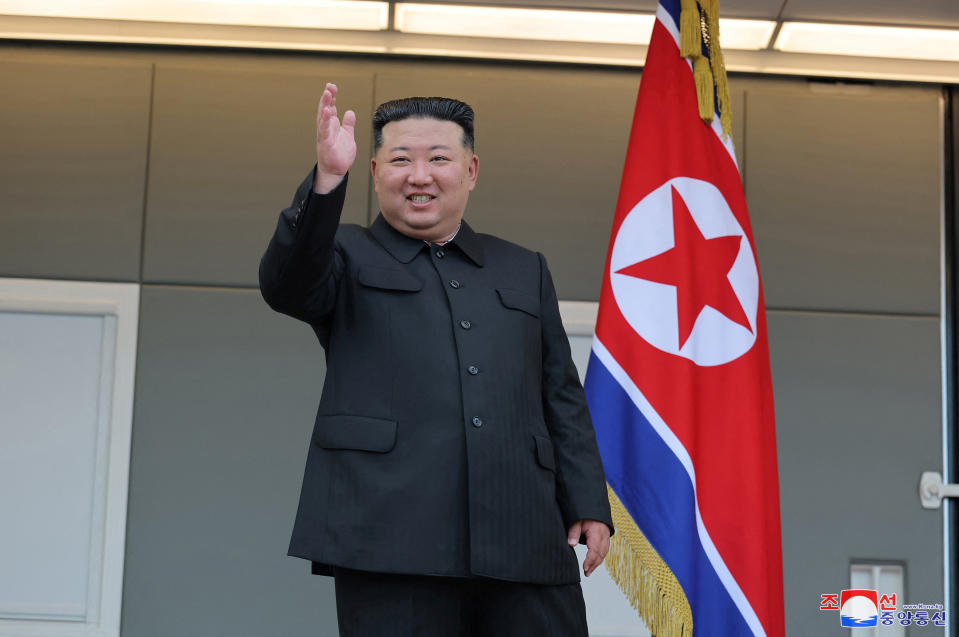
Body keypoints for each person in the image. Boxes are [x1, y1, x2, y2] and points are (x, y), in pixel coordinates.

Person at [259, 82, 613, 636]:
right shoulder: (346, 253)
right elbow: (287, 284)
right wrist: (328, 178)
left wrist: (587, 500)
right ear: (375, 172)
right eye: (400, 160)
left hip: (524, 532)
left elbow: (560, 394)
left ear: (471, 170)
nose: (419, 176)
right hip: (389, 535)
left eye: (438, 159)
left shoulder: (523, 268)